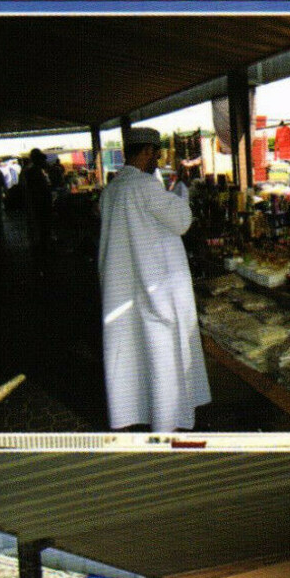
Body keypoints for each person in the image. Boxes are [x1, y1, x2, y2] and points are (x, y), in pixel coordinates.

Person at [95, 126, 211, 432]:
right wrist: (182, 190)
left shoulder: (112, 189)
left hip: (125, 285)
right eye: (156, 153)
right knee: (162, 356)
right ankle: (166, 420)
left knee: (135, 356)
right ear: (147, 151)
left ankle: (138, 412)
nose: (157, 160)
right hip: (152, 287)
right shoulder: (145, 187)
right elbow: (182, 220)